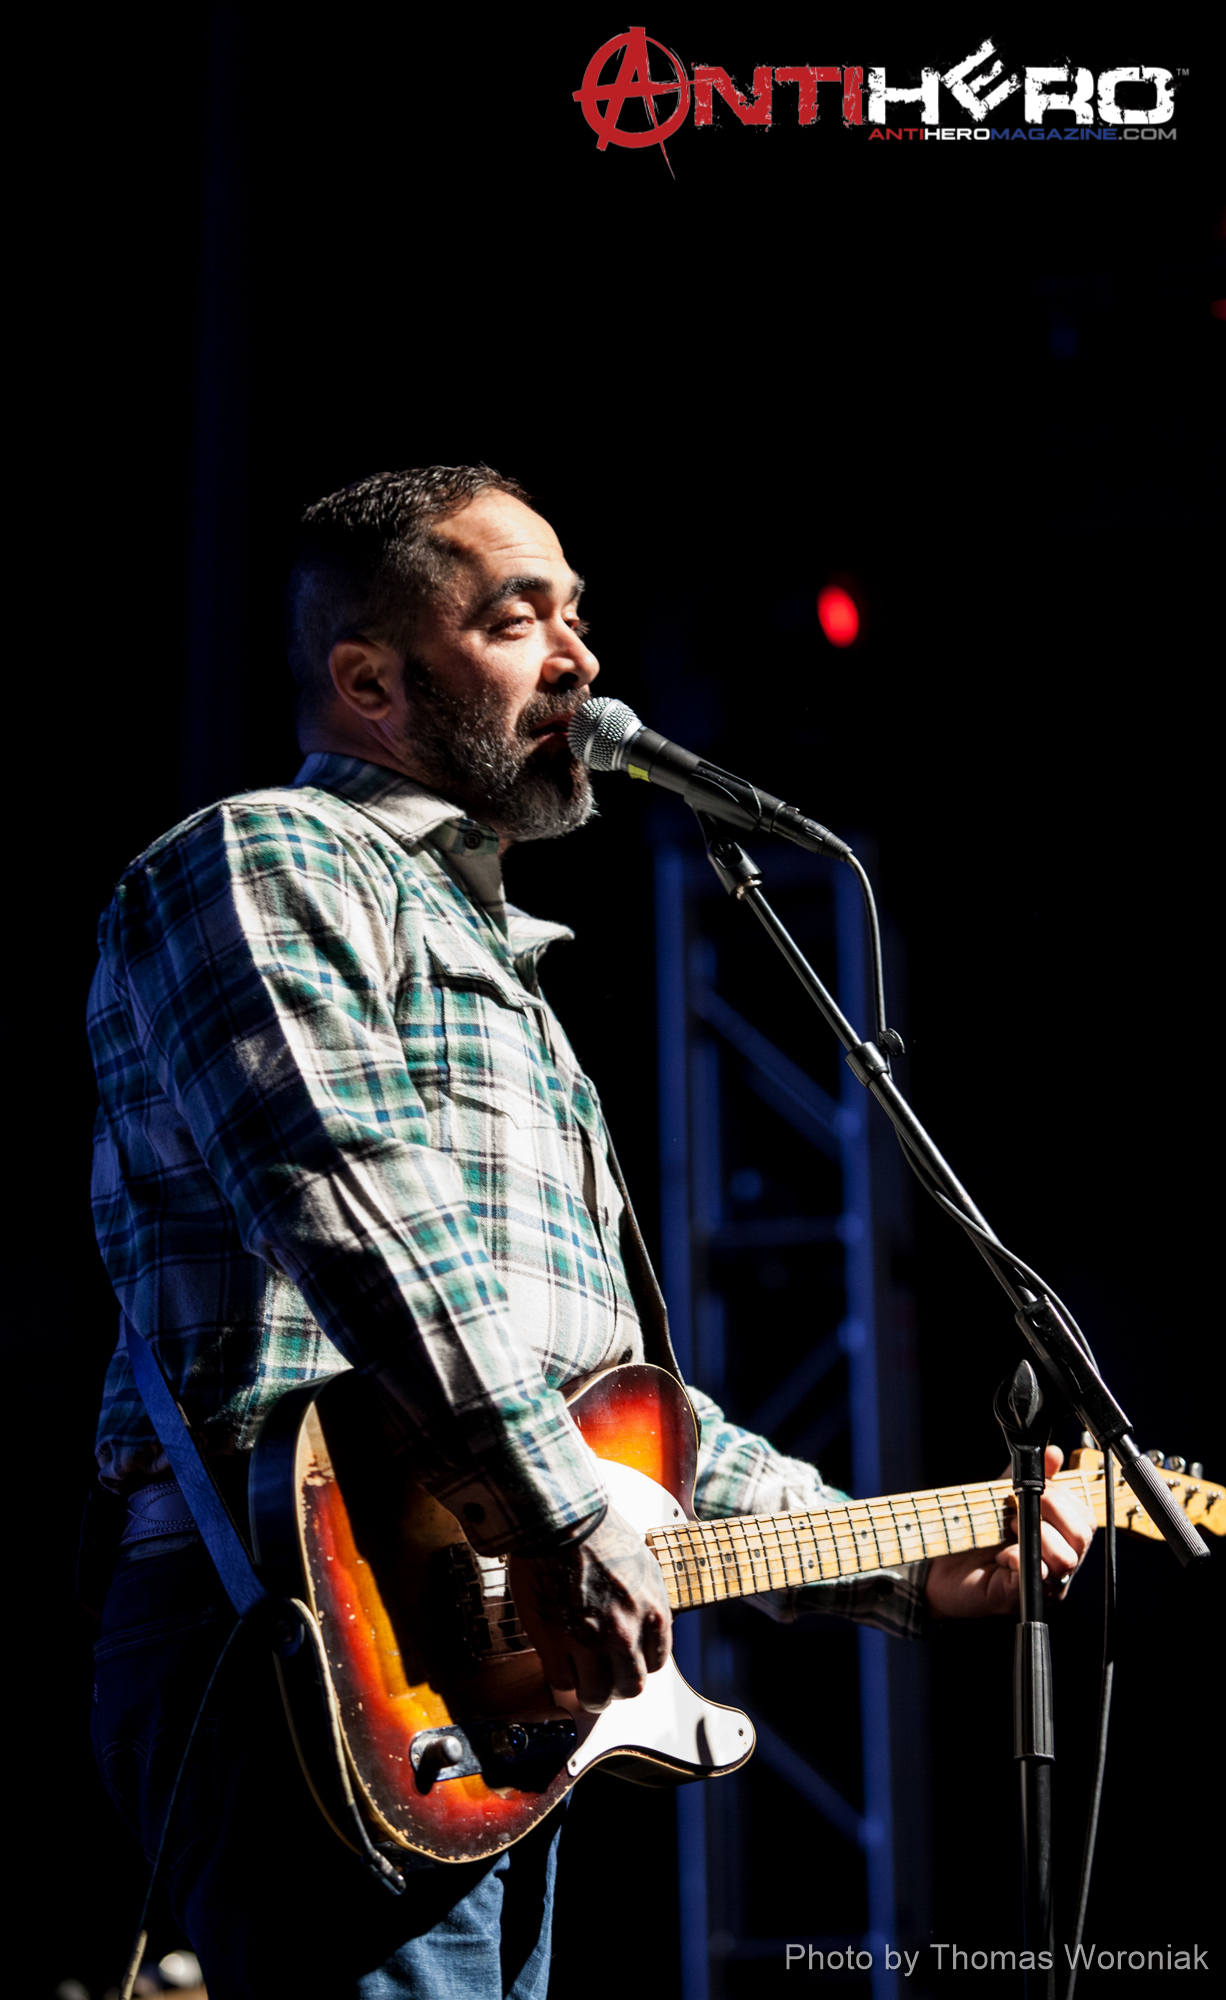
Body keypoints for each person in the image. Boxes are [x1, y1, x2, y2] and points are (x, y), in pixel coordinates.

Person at [87, 465, 1094, 1998]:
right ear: (368, 679)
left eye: (576, 614)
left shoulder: (512, 980)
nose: (580, 658)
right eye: (517, 620)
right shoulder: (270, 857)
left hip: (475, 1683)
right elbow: (350, 1201)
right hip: (301, 1629)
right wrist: (558, 1513)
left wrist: (913, 1557)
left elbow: (616, 1420)